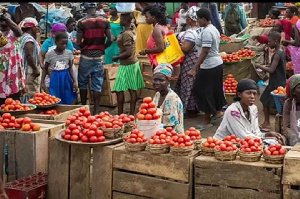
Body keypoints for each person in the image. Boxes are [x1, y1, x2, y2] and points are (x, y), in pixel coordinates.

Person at [188, 8, 226, 131]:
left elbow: (205, 51)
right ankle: (217, 112)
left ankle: (206, 121)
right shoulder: (212, 29)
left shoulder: (207, 32)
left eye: (198, 19)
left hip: (209, 65)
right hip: (215, 64)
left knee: (202, 91)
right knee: (214, 90)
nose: (197, 21)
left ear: (203, 19)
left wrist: (195, 68)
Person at [214, 78, 285, 144]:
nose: (252, 96)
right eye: (248, 93)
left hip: (242, 144)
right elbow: (242, 136)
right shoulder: (232, 111)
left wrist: (267, 134)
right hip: (224, 144)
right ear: (239, 94)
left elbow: (255, 132)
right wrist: (265, 139)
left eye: (254, 94)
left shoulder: (253, 109)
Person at [76, 2, 112, 115]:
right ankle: (96, 111)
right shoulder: (105, 21)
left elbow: (78, 42)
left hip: (86, 56)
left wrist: (85, 47)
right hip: (99, 57)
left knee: (83, 83)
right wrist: (102, 48)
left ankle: (84, 108)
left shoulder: (81, 22)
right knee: (97, 84)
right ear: (95, 8)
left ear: (86, 9)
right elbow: (110, 39)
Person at [111, 13, 144, 115]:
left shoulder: (126, 34)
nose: (119, 20)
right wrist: (117, 39)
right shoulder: (131, 30)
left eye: (121, 18)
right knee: (132, 89)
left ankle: (121, 114)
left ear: (125, 21)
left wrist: (116, 57)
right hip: (132, 63)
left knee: (118, 88)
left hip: (127, 64)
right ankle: (131, 113)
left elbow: (128, 52)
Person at [256, 31, 286, 131]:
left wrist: (260, 66)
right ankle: (268, 122)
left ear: (276, 41)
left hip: (276, 83)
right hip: (279, 81)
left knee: (265, 100)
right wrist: (266, 67)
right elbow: (274, 67)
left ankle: (267, 123)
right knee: (269, 102)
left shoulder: (277, 54)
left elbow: (272, 70)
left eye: (269, 42)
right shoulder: (281, 51)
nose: (268, 44)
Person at [175, 6, 200, 117]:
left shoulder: (191, 33)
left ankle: (188, 108)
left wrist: (177, 46)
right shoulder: (202, 29)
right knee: (195, 83)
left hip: (191, 59)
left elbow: (186, 48)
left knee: (187, 83)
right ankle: (195, 107)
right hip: (199, 58)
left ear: (190, 19)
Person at [41, 32, 77, 104]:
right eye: (62, 43)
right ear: (56, 42)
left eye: (66, 44)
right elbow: (45, 69)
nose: (64, 46)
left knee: (67, 95)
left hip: (66, 76)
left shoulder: (69, 53)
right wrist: (42, 82)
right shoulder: (50, 54)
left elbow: (70, 68)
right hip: (55, 77)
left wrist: (74, 81)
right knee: (55, 96)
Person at [39, 23, 74, 93]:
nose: (64, 46)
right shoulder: (48, 43)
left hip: (65, 74)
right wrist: (42, 65)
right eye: (60, 31)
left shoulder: (68, 45)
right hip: (52, 72)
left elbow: (70, 65)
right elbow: (41, 55)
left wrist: (74, 81)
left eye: (64, 31)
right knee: (53, 92)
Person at [0, 11, 25, 105]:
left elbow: (19, 32)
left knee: (14, 97)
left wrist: (7, 18)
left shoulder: (14, 32)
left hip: (12, 69)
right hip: (1, 70)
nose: (3, 23)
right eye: (1, 20)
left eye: (5, 20)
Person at [153, 63, 184, 134]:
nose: (157, 83)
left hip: (172, 135)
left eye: (161, 80)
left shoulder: (171, 98)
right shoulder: (158, 94)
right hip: (160, 132)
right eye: (155, 80)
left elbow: (170, 126)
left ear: (168, 81)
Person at [19, 17, 41, 103]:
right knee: (30, 91)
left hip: (24, 68)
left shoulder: (23, 37)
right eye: (36, 27)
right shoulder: (29, 39)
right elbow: (29, 55)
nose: (37, 29)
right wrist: (35, 69)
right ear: (32, 27)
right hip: (29, 70)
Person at [282, 74, 300, 146]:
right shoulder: (289, 103)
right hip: (295, 138)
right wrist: (292, 135)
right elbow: (285, 126)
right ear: (293, 92)